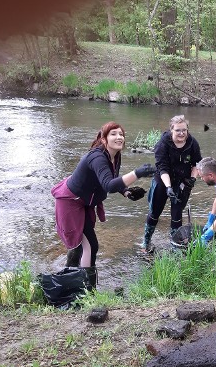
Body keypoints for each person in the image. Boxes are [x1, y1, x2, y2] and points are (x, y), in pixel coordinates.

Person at [51, 121, 155, 287]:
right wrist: (137, 173)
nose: (119, 137)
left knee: (85, 245)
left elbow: (112, 179)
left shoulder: (114, 155)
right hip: (71, 201)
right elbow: (108, 185)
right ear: (104, 139)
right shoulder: (98, 156)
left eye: (121, 134)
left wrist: (126, 192)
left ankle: (75, 282)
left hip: (85, 201)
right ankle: (86, 288)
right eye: (113, 134)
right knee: (89, 245)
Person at [141, 115, 202, 251]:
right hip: (163, 181)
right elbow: (162, 168)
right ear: (171, 130)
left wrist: (192, 179)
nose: (181, 133)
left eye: (184, 130)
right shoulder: (162, 144)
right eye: (178, 130)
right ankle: (146, 242)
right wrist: (168, 187)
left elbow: (197, 163)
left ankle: (175, 247)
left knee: (177, 214)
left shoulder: (192, 143)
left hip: (182, 182)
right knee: (154, 212)